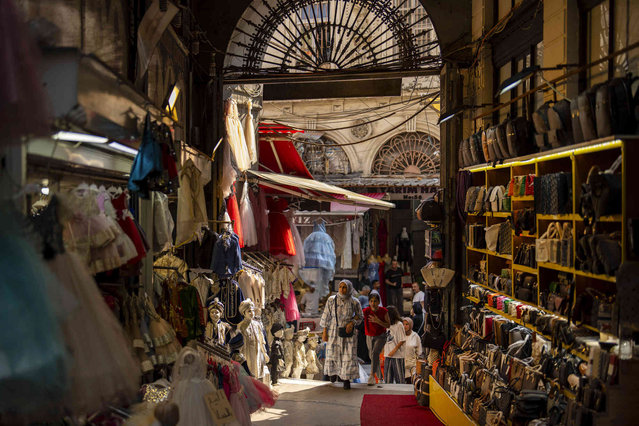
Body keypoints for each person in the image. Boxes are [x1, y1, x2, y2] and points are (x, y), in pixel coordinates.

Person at [320, 279, 363, 390]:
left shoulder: (354, 301)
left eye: (345, 287)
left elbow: (360, 316)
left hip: (348, 333)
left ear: (349, 288)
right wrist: (324, 332)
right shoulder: (331, 300)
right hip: (333, 331)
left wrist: (352, 323)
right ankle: (333, 374)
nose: (342, 289)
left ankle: (346, 380)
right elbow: (326, 316)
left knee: (347, 356)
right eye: (340, 287)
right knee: (333, 354)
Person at [362, 292, 389, 385]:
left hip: (380, 336)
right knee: (372, 356)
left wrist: (378, 321)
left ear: (378, 302)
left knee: (374, 353)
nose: (373, 303)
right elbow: (357, 317)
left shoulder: (383, 311)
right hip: (369, 336)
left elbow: (388, 324)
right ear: (369, 302)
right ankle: (380, 378)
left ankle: (372, 376)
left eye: (375, 301)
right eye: (371, 301)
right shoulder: (366, 311)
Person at [383, 305, 406, 384]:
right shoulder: (386, 325)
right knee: (387, 379)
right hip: (387, 354)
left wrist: (394, 350)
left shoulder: (399, 324)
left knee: (399, 379)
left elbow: (402, 340)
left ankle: (401, 395)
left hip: (397, 355)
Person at [403, 317, 422, 383]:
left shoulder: (415, 336)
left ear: (410, 325)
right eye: (403, 324)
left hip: (412, 367)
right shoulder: (400, 335)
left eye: (407, 324)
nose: (404, 326)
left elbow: (419, 352)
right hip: (401, 366)